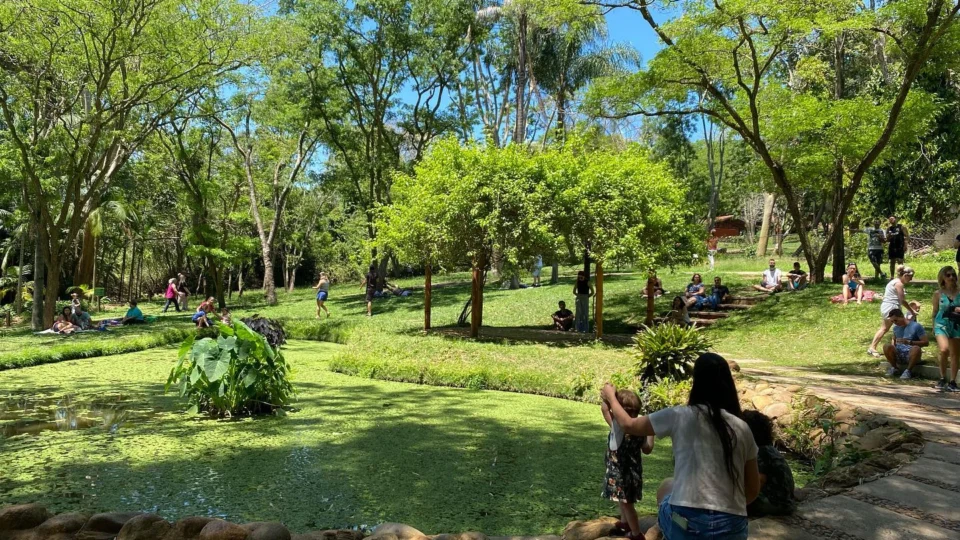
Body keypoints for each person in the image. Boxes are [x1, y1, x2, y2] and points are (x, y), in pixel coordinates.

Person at [603, 353, 760, 540]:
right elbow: (752, 490)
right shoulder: (742, 428)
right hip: (732, 527)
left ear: (696, 383)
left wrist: (611, 398)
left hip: (687, 525)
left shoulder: (679, 415)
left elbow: (628, 424)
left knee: (666, 487)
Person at [601, 389, 655, 540]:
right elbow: (647, 449)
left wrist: (608, 396)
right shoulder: (641, 427)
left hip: (621, 475)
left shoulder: (618, 426)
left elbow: (604, 410)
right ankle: (625, 523)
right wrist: (651, 432)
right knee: (623, 500)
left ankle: (636, 533)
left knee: (626, 503)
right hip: (634, 473)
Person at [740, 411, 796, 517]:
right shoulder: (768, 450)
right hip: (784, 500)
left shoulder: (759, 454)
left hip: (775, 504)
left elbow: (757, 482)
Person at [868, 265, 917, 357]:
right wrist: (912, 311)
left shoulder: (895, 282)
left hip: (889, 306)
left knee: (893, 328)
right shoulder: (899, 284)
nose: (911, 279)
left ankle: (896, 348)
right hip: (891, 307)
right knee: (890, 328)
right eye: (910, 277)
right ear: (905, 275)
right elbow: (902, 300)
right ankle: (873, 347)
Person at [932, 266, 960, 392]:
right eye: (948, 275)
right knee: (944, 350)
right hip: (941, 324)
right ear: (943, 278)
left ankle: (953, 381)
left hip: (956, 325)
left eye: (953, 275)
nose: (952, 277)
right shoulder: (938, 294)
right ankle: (942, 377)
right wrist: (933, 326)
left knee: (955, 354)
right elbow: (935, 311)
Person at [882, 308, 929, 379]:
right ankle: (894, 368)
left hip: (911, 353)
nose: (895, 322)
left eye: (896, 320)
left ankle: (908, 371)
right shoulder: (895, 328)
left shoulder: (916, 326)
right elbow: (893, 342)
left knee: (916, 348)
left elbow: (926, 342)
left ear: (901, 316)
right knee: (886, 346)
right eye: (892, 321)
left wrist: (909, 342)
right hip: (899, 353)